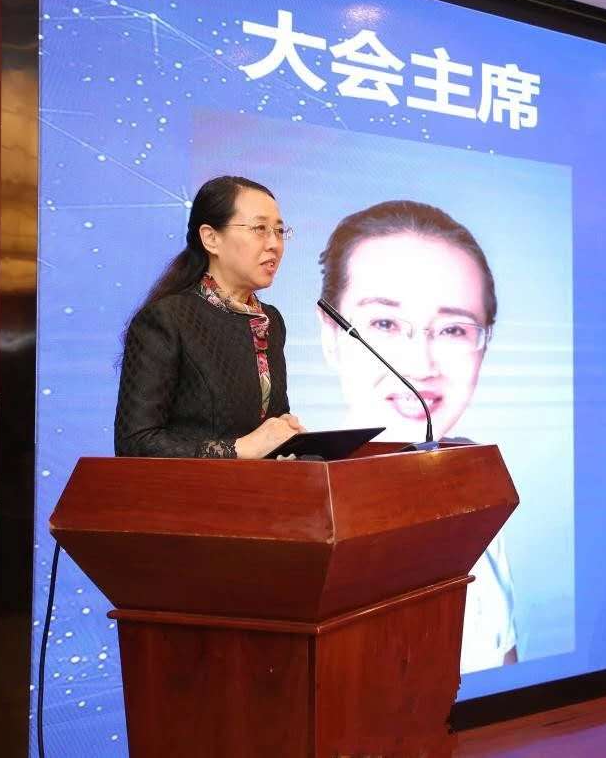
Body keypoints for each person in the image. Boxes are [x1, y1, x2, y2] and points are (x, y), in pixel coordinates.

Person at [318, 200, 517, 672]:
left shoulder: (476, 493)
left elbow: (506, 678)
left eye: (453, 329)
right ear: (331, 334)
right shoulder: (296, 517)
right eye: (385, 324)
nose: (421, 365)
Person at [115, 175, 305, 459]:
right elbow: (135, 443)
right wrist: (240, 449)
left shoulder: (269, 320)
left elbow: (266, 426)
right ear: (211, 238)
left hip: (259, 486)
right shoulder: (166, 319)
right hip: (192, 487)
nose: (274, 244)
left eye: (279, 231)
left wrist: (285, 435)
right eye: (260, 229)